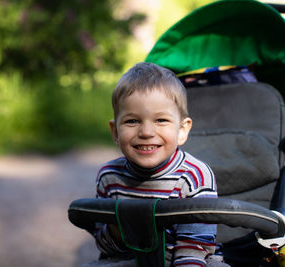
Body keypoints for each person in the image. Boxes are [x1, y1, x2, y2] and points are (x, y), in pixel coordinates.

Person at [91, 62, 229, 267]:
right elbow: (105, 246)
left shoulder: (195, 175)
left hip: (192, 259)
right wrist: (117, 231)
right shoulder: (109, 177)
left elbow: (194, 245)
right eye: (132, 121)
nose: (146, 132)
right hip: (131, 260)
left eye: (161, 120)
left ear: (182, 130)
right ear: (115, 132)